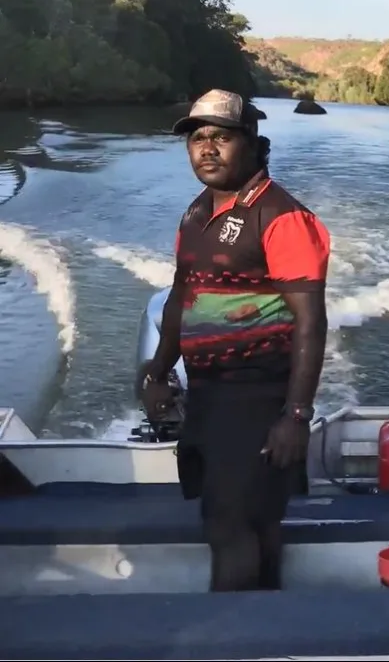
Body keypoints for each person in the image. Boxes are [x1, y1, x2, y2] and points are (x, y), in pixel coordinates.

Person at [140, 89, 331, 592]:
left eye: (221, 137)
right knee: (253, 522)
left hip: (259, 397)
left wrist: (295, 416)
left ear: (254, 145)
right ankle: (263, 628)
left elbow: (311, 321)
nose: (206, 148)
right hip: (207, 392)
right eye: (197, 139)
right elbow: (184, 293)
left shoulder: (282, 217)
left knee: (229, 526)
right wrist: (159, 370)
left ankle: (222, 640)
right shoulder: (197, 212)